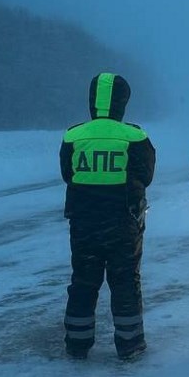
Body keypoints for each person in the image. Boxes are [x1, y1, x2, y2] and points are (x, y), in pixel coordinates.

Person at [60, 72, 155, 361]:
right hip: (123, 223)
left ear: (93, 100)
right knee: (125, 282)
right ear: (122, 102)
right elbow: (146, 176)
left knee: (83, 282)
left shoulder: (73, 135)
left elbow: (67, 174)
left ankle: (77, 343)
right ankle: (130, 344)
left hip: (83, 223)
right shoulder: (135, 136)